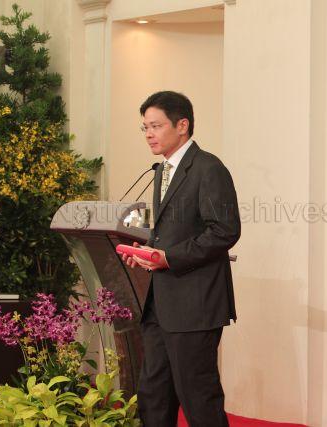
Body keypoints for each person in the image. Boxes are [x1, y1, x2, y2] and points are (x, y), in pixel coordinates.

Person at [122, 91, 240, 426]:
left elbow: (224, 231)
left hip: (195, 304)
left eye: (156, 126)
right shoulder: (162, 170)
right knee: (153, 394)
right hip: (161, 303)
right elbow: (170, 234)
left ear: (182, 125)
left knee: (198, 396)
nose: (149, 134)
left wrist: (168, 258)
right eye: (144, 127)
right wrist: (145, 254)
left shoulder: (209, 168)